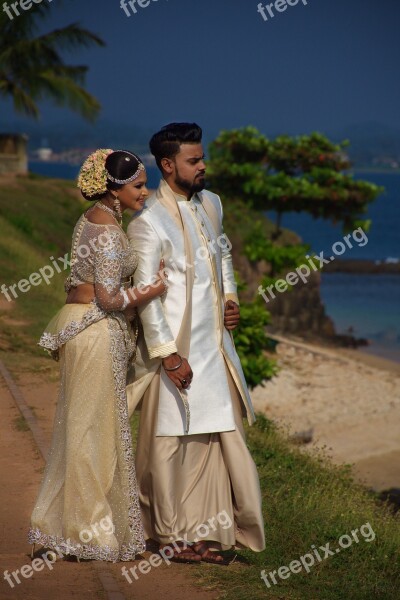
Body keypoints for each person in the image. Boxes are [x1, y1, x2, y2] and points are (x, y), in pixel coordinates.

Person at [126, 123, 265, 564]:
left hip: (215, 346)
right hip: (177, 349)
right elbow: (147, 296)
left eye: (202, 158)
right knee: (172, 441)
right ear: (168, 166)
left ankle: (211, 535)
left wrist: (229, 298)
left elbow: (221, 252)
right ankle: (170, 535)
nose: (203, 166)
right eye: (193, 160)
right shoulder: (147, 222)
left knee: (216, 438)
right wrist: (168, 356)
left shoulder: (212, 203)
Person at [28, 149, 168, 562]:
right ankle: (88, 531)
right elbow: (108, 298)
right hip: (95, 331)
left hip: (83, 327)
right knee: (92, 430)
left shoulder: (92, 218)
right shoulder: (107, 231)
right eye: (139, 186)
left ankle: (65, 527)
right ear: (115, 188)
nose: (146, 192)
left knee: (83, 427)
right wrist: (151, 290)